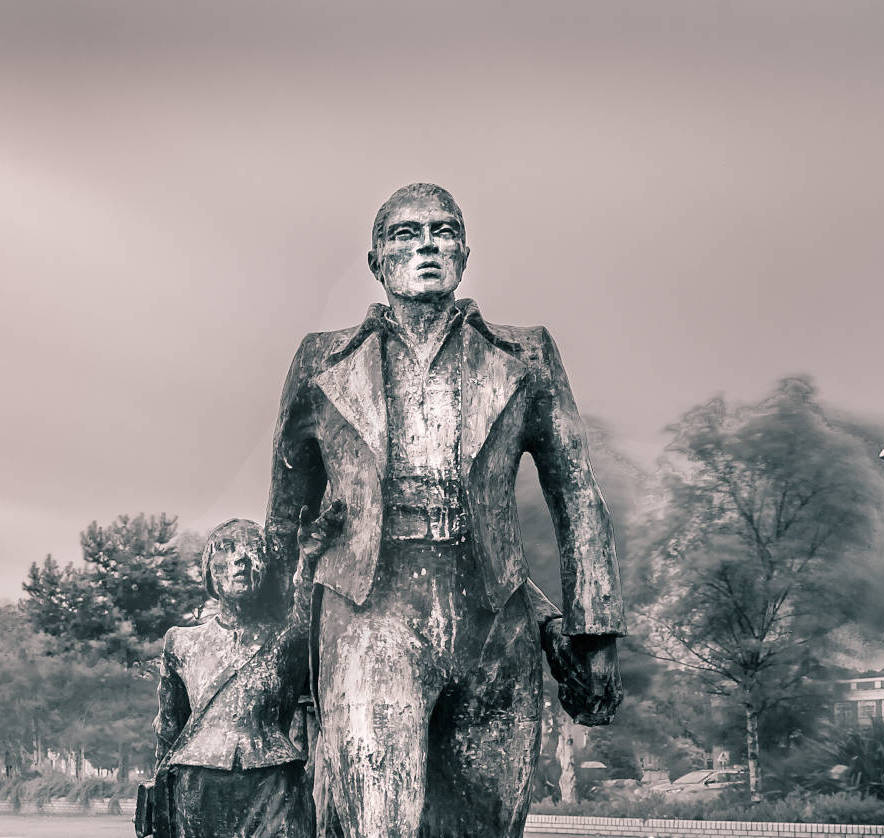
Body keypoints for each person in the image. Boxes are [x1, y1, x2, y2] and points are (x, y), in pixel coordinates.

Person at [265, 184, 625, 837]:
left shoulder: (527, 353)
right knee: (380, 822)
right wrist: (274, 653)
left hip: (495, 625)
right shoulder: (321, 360)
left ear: (464, 252)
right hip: (367, 616)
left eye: (442, 231)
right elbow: (286, 518)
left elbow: (574, 489)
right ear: (376, 260)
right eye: (405, 234)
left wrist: (593, 636)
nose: (426, 244)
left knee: (486, 825)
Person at [149, 504, 343, 838]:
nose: (241, 558)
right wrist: (158, 792)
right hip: (196, 787)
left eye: (254, 550)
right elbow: (169, 729)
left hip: (274, 784)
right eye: (227, 549)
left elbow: (312, 613)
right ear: (211, 571)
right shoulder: (181, 643)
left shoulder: (288, 639)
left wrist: (308, 559)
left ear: (267, 570)